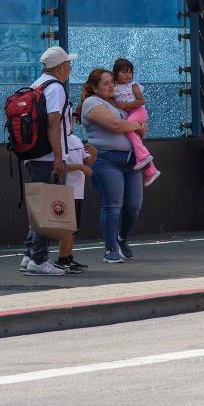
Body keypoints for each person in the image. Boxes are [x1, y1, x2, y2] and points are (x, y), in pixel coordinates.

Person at [79, 68, 147, 264]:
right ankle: (110, 249)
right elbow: (115, 126)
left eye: (112, 82)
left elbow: (139, 121)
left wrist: (139, 126)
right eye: (106, 83)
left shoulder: (119, 103)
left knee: (134, 205)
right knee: (113, 205)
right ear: (95, 87)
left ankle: (122, 237)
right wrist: (137, 125)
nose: (111, 86)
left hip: (131, 160)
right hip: (106, 160)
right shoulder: (92, 102)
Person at [20, 46, 77, 276]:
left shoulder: (37, 84)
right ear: (60, 67)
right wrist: (58, 158)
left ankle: (29, 255)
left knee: (38, 207)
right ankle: (39, 260)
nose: (70, 68)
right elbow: (53, 124)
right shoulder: (55, 88)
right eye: (68, 64)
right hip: (47, 157)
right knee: (48, 208)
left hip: (33, 155)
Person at [110, 58, 161, 187]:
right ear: (116, 73)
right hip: (130, 116)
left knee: (127, 129)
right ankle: (151, 171)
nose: (128, 75)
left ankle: (143, 156)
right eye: (124, 72)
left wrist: (125, 105)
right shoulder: (114, 88)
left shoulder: (134, 86)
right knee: (135, 140)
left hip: (139, 112)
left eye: (130, 72)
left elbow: (141, 101)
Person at [56, 134, 95, 272]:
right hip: (66, 189)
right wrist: (80, 167)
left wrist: (94, 154)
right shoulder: (58, 141)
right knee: (68, 228)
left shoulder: (76, 139)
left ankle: (68, 258)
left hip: (78, 191)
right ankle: (62, 260)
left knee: (74, 229)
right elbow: (60, 165)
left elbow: (88, 161)